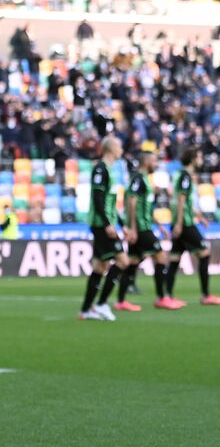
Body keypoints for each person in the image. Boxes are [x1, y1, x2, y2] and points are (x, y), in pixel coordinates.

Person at [118, 151, 183, 311]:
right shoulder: (138, 179)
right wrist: (132, 228)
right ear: (146, 161)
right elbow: (131, 203)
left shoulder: (145, 180)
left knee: (132, 262)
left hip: (144, 226)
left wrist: (159, 225)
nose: (156, 164)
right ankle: (162, 298)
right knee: (161, 257)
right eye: (154, 161)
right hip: (141, 229)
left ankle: (120, 301)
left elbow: (144, 207)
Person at [165, 147, 220, 306]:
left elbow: (185, 201)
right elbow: (181, 199)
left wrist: (200, 217)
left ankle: (166, 296)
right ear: (192, 159)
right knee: (204, 254)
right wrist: (178, 223)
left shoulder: (183, 175)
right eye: (199, 157)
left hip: (183, 221)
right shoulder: (185, 176)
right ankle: (206, 295)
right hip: (184, 223)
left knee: (174, 258)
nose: (200, 160)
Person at [79, 136, 130, 321]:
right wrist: (108, 224)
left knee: (100, 266)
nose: (121, 150)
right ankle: (101, 304)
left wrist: (122, 224)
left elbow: (111, 203)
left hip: (106, 223)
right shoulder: (100, 169)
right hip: (101, 224)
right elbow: (98, 199)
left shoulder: (110, 170)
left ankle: (85, 310)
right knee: (123, 261)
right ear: (111, 148)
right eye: (119, 146)